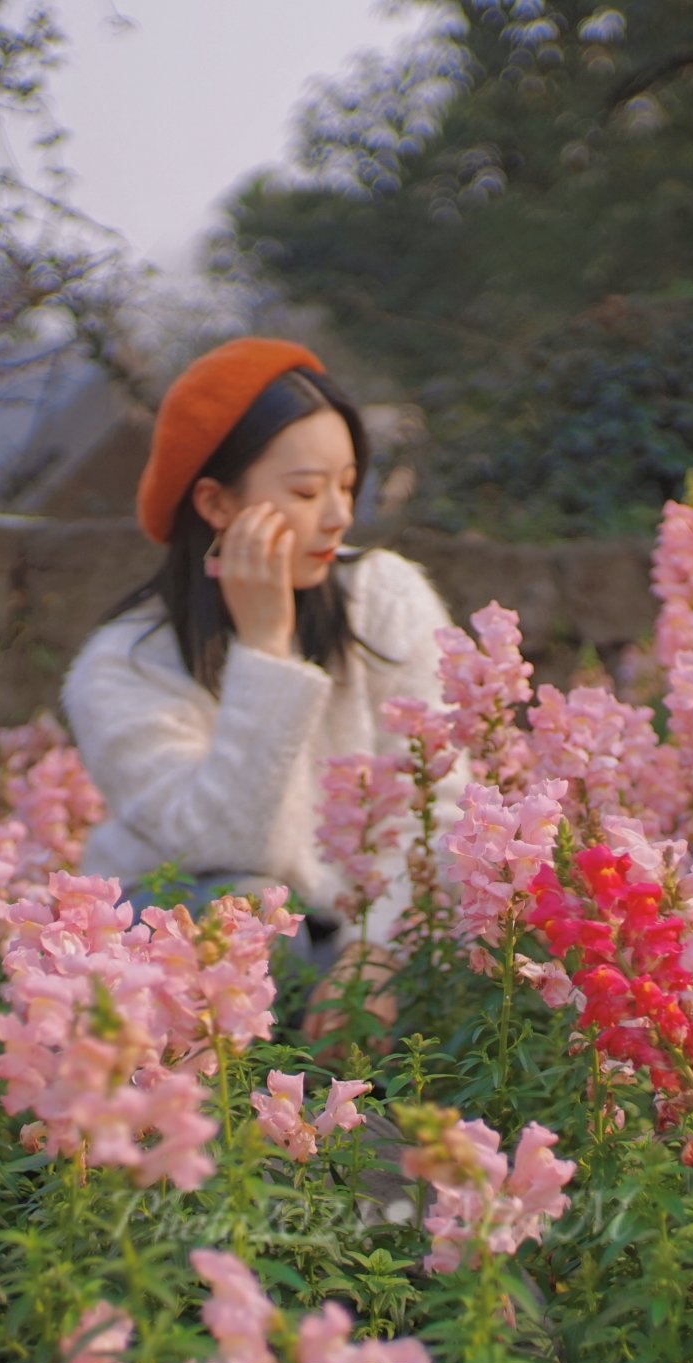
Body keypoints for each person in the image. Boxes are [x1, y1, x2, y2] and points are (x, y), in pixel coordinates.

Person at [63, 338, 457, 965]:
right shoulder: (122, 668)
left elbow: (440, 801)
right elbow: (233, 849)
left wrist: (376, 949)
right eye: (306, 493)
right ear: (216, 503)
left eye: (348, 486)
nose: (338, 517)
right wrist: (266, 649)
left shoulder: (384, 595)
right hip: (196, 946)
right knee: (243, 911)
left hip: (371, 938)